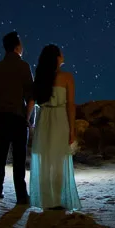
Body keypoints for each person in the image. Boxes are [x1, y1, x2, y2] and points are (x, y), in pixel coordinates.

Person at [28, 44, 81, 211]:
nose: (63, 55)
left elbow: (32, 101)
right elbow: (70, 105)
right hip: (59, 119)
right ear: (56, 57)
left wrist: (28, 120)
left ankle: (46, 201)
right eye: (61, 53)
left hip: (43, 118)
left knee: (45, 161)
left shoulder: (40, 78)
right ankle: (56, 201)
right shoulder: (67, 77)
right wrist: (72, 130)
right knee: (58, 161)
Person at [0, 31, 34, 203]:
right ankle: (21, 195)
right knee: (19, 157)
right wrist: (29, 118)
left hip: (3, 116)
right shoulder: (24, 66)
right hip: (19, 116)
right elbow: (30, 94)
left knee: (0, 154)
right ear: (17, 47)